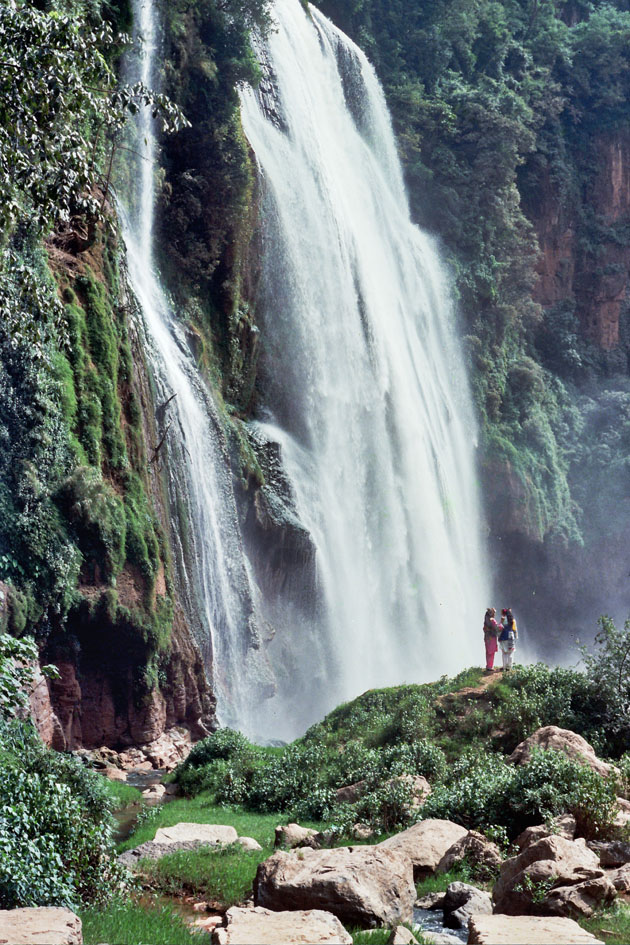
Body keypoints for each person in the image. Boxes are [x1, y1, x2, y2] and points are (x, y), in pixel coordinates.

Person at [483, 607, 500, 672]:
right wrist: (501, 624)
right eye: (494, 613)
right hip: (492, 637)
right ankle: (490, 667)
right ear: (491, 614)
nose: (495, 614)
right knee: (491, 652)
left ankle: (488, 666)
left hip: (487, 637)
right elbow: (497, 628)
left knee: (488, 652)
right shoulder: (492, 620)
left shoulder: (486, 621)